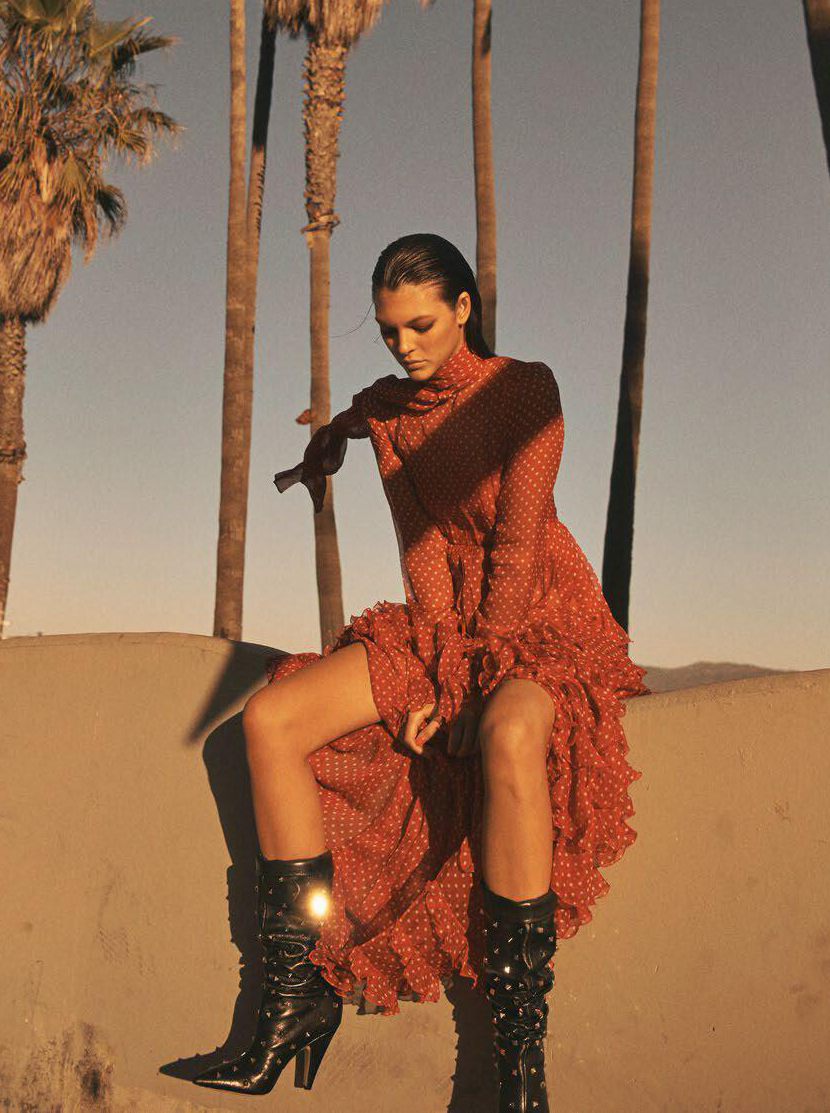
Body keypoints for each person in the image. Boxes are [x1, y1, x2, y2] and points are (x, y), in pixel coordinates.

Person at [189, 232, 650, 1111]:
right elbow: (423, 548)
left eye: (421, 325)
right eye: (389, 330)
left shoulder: (526, 390)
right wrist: (438, 673)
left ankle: (519, 1071)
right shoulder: (391, 413)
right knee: (269, 720)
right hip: (442, 622)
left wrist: (474, 682)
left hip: (536, 613)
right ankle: (296, 998)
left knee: (509, 733)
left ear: (463, 308)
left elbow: (516, 544)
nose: (404, 345)